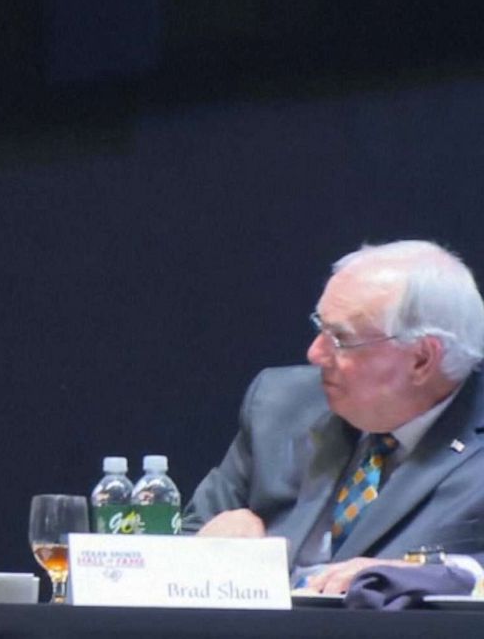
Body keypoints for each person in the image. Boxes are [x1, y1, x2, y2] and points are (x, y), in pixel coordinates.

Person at [184, 240, 484, 593]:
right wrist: (205, 546)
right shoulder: (281, 405)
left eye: (341, 339)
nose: (314, 354)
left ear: (421, 358)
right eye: (320, 328)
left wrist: (426, 574)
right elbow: (180, 541)